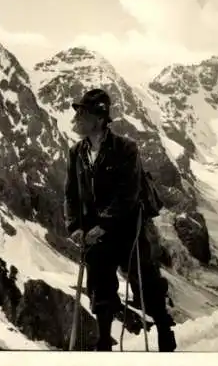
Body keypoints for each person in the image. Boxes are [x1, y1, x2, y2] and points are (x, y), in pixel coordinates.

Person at [64, 88, 176, 352]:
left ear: (100, 118)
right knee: (100, 285)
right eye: (78, 111)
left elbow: (129, 192)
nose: (77, 117)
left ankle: (163, 328)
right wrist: (75, 226)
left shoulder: (126, 149)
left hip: (128, 228)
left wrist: (103, 225)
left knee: (145, 281)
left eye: (83, 112)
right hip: (94, 231)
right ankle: (104, 342)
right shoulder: (76, 153)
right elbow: (70, 193)